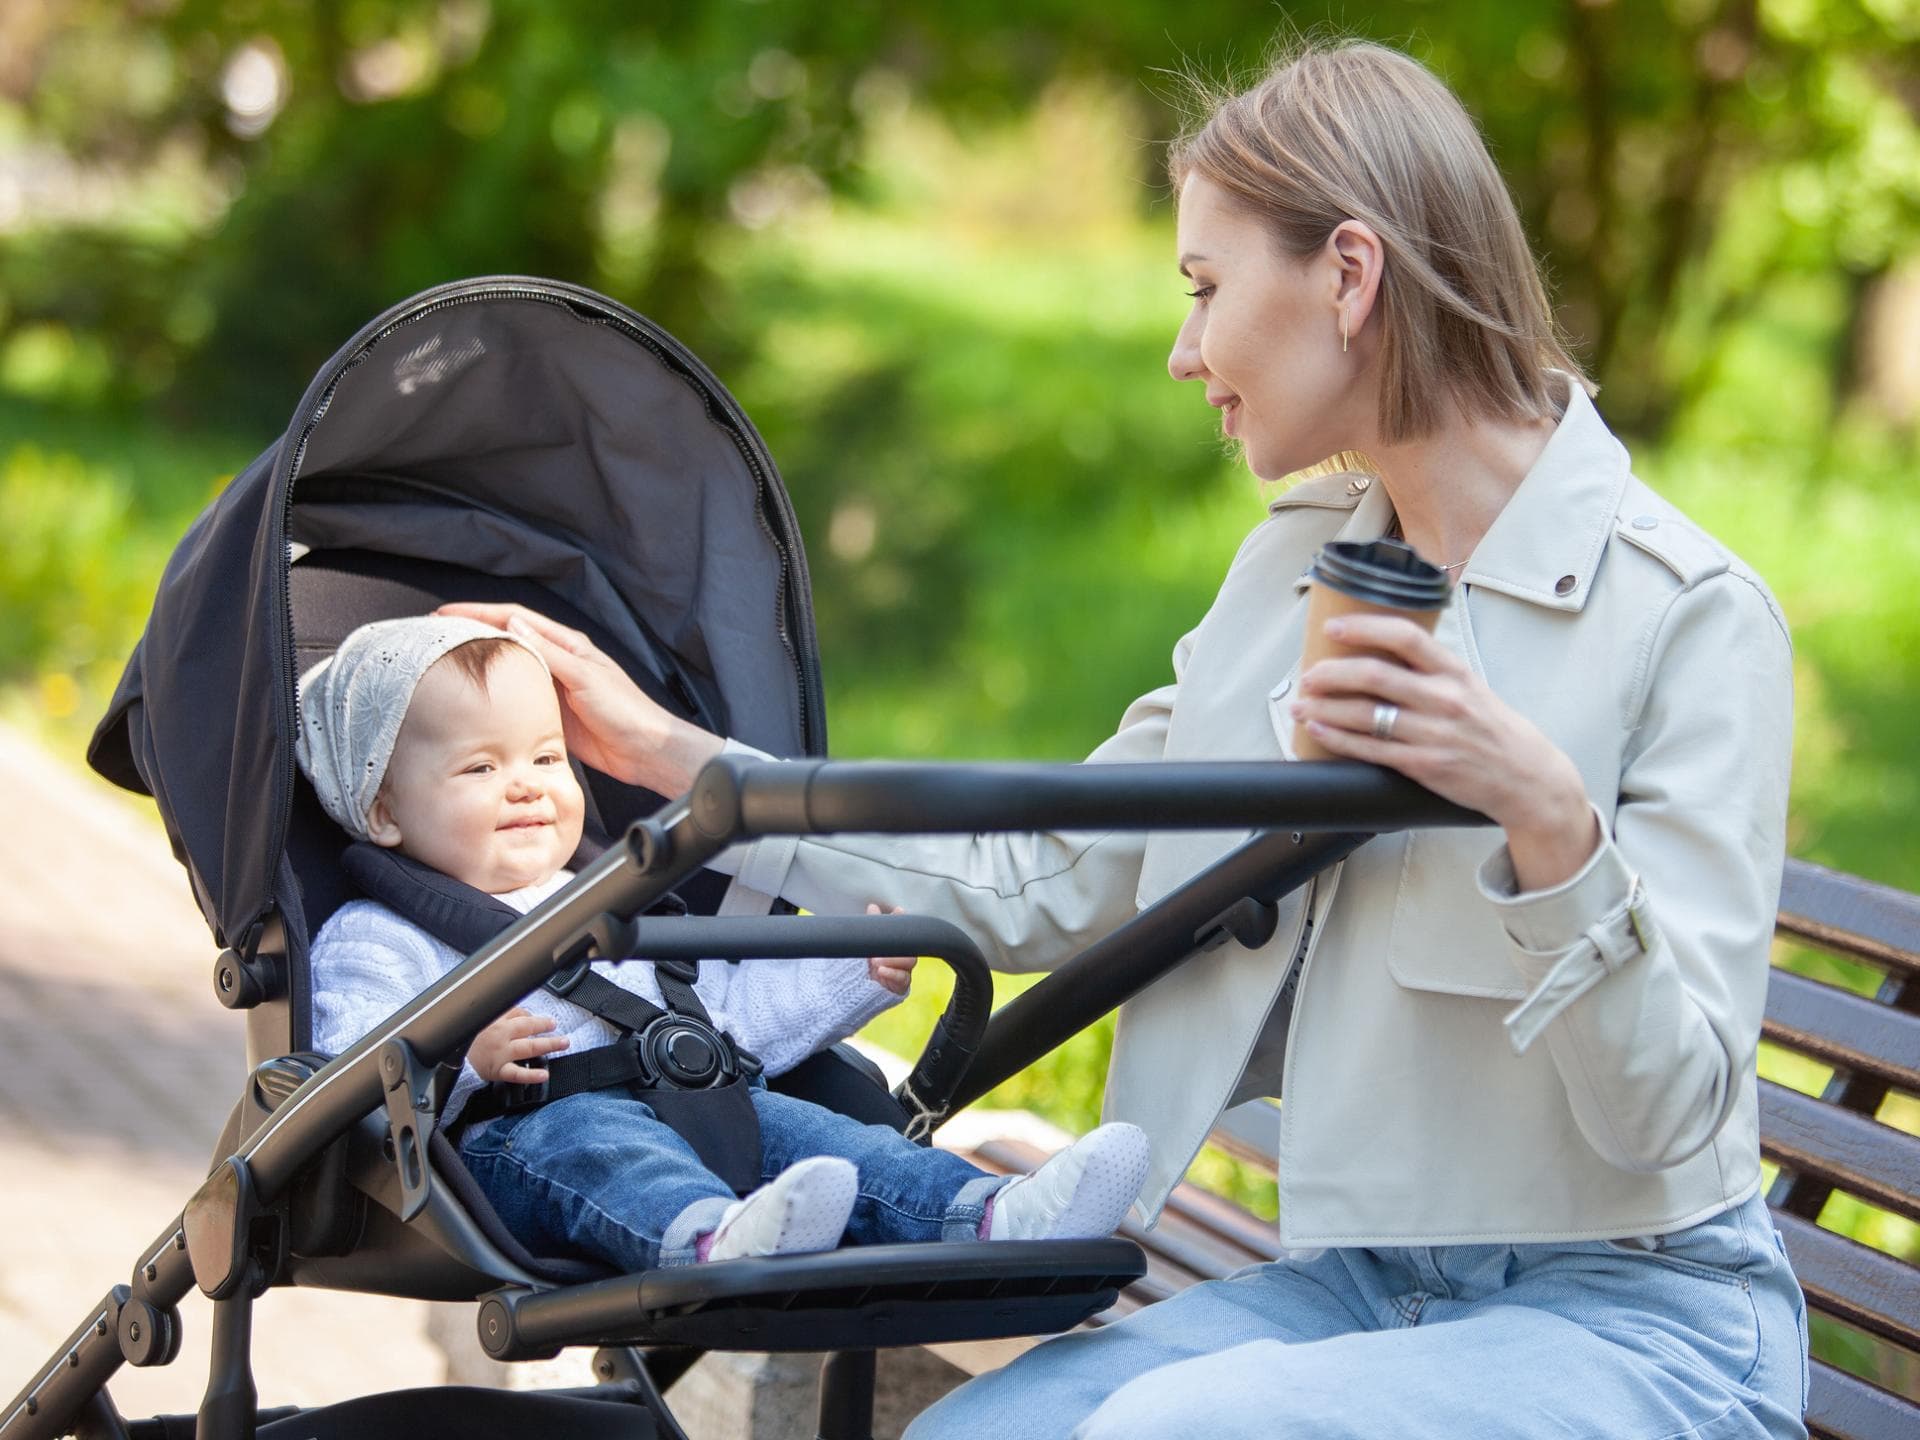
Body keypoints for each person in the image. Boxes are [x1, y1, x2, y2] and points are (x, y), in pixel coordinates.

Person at [442, 37, 1807, 1439]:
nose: (1182, 350)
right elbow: (1050, 870)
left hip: (1635, 1318)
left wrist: (1547, 822)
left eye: (1206, 288)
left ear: (1349, 275)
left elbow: (1672, 1125)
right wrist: (675, 758)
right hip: (1363, 1287)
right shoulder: (1297, 577)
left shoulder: (1687, 620)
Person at [296, 614, 1151, 1272]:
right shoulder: (380, 936)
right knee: (602, 1142)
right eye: (481, 768)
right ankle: (709, 1240)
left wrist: (852, 971)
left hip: (691, 1102)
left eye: (548, 759)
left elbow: (720, 1018)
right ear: (383, 810)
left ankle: (991, 1212)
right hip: (514, 1149)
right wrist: (460, 1053)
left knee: (817, 1133)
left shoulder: (606, 900)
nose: (525, 787)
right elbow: (347, 1076)